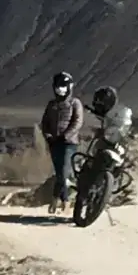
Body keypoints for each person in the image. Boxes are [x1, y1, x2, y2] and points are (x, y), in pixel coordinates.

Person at [39, 70, 84, 214]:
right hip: (54, 143)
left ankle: (64, 201)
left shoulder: (75, 103)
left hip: (69, 143)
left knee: (64, 172)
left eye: (63, 85)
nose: (60, 88)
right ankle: (55, 200)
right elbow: (44, 122)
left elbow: (77, 121)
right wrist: (48, 135)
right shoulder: (51, 104)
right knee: (59, 174)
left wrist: (66, 135)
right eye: (58, 85)